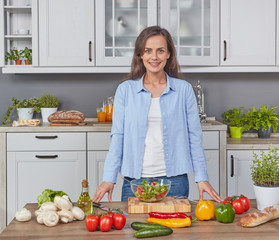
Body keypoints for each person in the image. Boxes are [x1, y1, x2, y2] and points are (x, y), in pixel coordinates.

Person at [93, 26, 223, 203]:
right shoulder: (125, 90)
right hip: (134, 182)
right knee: (133, 229)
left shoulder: (183, 90)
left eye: (160, 51)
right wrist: (109, 178)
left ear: (169, 54)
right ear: (140, 55)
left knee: (175, 229)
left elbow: (194, 136)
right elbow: (118, 136)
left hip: (175, 181)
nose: (154, 57)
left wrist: (202, 178)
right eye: (148, 51)